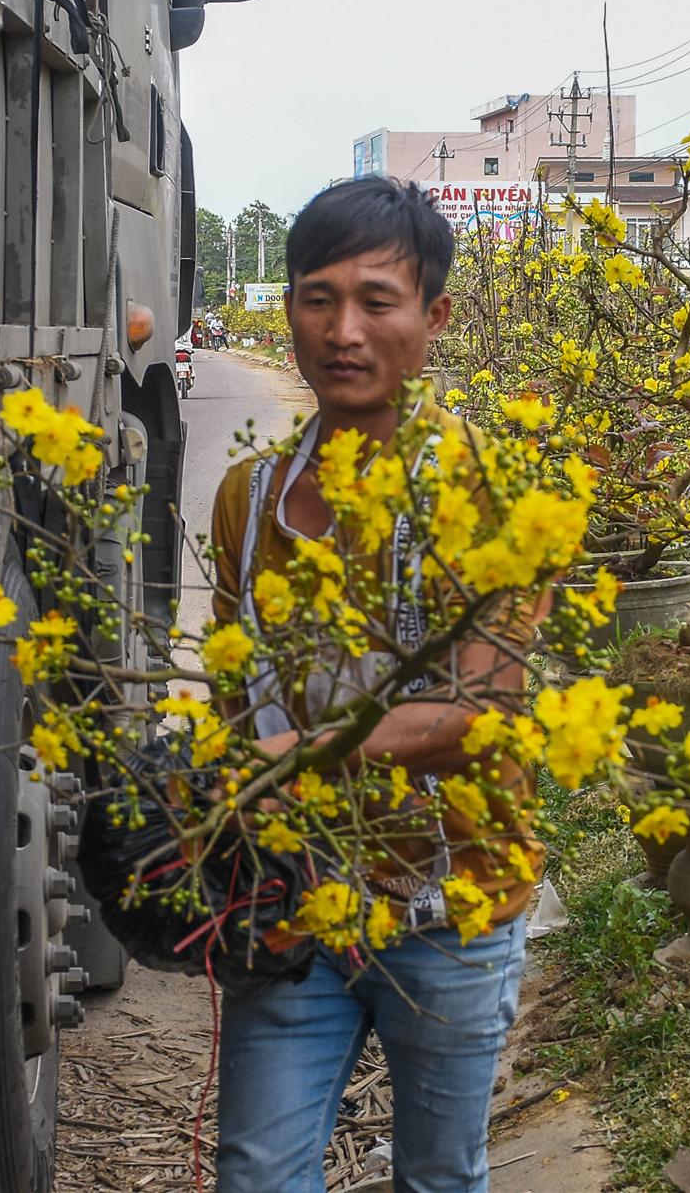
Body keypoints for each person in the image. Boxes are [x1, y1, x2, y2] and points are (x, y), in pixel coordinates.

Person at [208, 177, 539, 1193]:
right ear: (288, 311)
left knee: (438, 1176)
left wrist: (289, 757)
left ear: (432, 317)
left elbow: (479, 713)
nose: (341, 329)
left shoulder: (483, 491)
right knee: (256, 1172)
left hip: (452, 911)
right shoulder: (249, 496)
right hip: (295, 905)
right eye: (316, 297)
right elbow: (235, 689)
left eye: (375, 300)